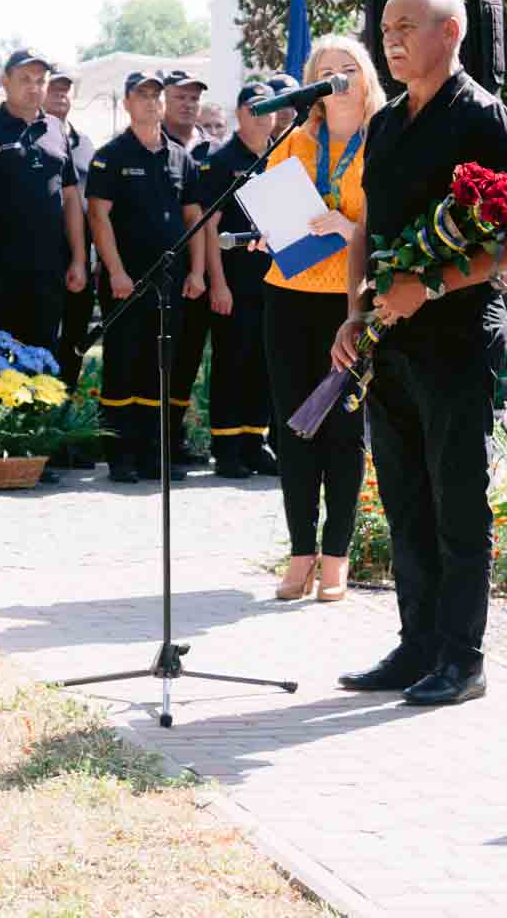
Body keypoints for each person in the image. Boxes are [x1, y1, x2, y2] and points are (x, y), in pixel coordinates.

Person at [334, 0, 507, 707]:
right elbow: (366, 225)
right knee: (404, 497)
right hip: (388, 341)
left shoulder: (483, 117)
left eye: (407, 27)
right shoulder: (385, 124)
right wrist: (354, 311)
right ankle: (416, 644)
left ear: (450, 34)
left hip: (454, 333)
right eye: (385, 28)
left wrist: (435, 284)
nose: (390, 41)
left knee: (455, 499)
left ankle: (463, 657)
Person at [259, 40, 384, 599]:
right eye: (324, 72)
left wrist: (347, 229)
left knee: (342, 430)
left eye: (347, 69)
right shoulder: (292, 141)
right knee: (293, 430)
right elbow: (275, 212)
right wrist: (271, 232)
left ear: (367, 77)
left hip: (350, 302)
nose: (337, 79)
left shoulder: (385, 138)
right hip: (289, 297)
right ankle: (300, 553)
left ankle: (336, 557)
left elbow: (394, 232)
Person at [86, 71, 204, 482]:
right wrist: (116, 271)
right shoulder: (110, 156)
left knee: (160, 366)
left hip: (170, 282)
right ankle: (121, 454)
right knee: (124, 365)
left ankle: (153, 453)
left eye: (156, 95)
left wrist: (199, 272)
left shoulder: (180, 157)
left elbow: (195, 219)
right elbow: (98, 217)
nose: (151, 102)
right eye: (142, 95)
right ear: (127, 103)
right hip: (127, 280)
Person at [0, 46, 84, 360]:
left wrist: (79, 259)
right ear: (5, 81)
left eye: (40, 80)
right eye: (25, 79)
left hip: (47, 273)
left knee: (40, 369)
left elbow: (70, 198)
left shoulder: (56, 130)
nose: (34, 87)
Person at [198, 81, 280, 482]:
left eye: (270, 109)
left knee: (263, 364)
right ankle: (226, 447)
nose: (267, 116)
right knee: (232, 364)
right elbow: (209, 227)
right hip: (233, 281)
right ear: (242, 114)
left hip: (271, 280)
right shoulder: (221, 159)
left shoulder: (277, 156)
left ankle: (254, 441)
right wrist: (217, 284)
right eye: (258, 109)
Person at [44, 65, 97, 470]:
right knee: (41, 349)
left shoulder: (84, 144)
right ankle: (36, 435)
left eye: (66, 90)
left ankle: (61, 434)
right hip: (41, 261)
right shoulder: (35, 138)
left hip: (81, 264)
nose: (60, 95)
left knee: (72, 350)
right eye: (54, 89)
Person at [161, 66, 214, 465]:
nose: (188, 103)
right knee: (164, 359)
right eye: (180, 95)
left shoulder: (211, 149)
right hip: (162, 273)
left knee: (190, 359)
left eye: (194, 97)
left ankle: (175, 436)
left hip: (205, 273)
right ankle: (154, 440)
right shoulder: (151, 144)